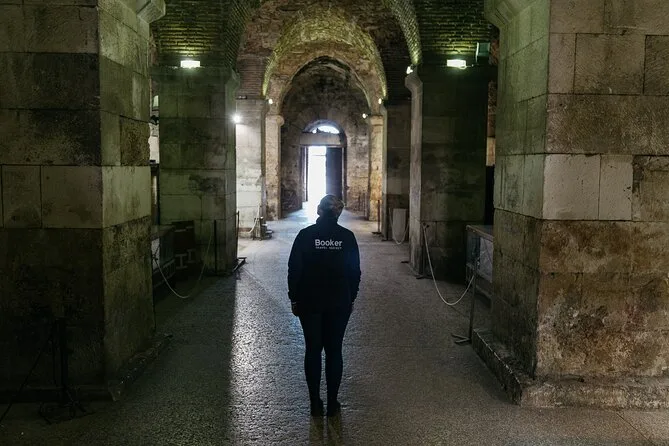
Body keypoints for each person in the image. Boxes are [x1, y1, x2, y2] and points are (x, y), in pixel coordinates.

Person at [288, 194, 361, 417]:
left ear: (319, 211)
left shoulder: (305, 235)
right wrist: (350, 298)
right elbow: (354, 272)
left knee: (312, 349)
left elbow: (294, 269)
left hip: (310, 300)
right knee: (334, 350)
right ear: (338, 212)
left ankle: (314, 403)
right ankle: (332, 403)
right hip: (339, 301)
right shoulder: (347, 237)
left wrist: (294, 298)